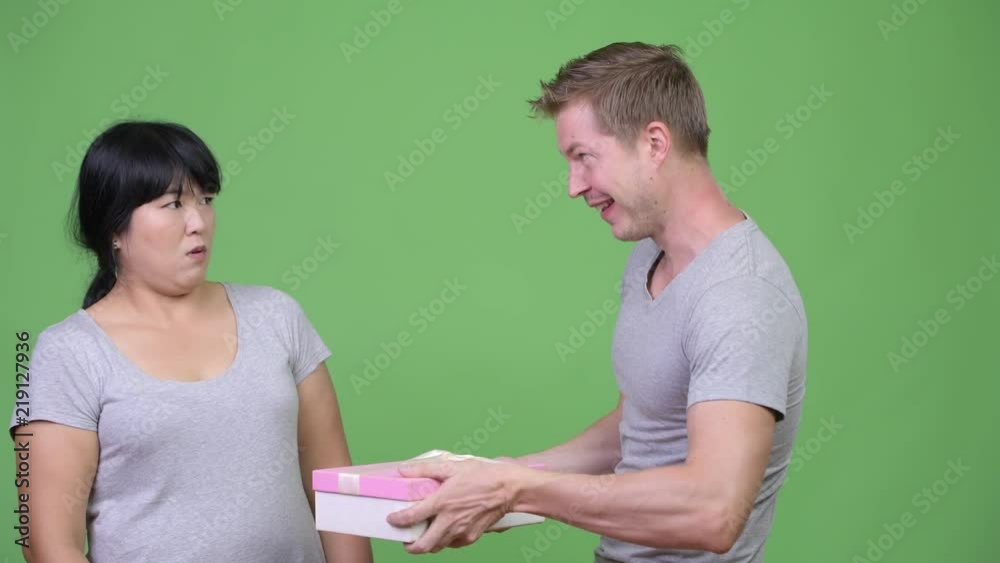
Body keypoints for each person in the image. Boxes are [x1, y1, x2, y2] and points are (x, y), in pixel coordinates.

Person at [385, 41, 808, 562]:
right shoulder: (651, 257)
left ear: (655, 143)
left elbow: (713, 511)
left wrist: (515, 490)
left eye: (584, 157)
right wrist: (500, 474)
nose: (573, 186)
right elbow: (638, 427)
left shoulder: (740, 294)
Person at [9, 121, 373, 563]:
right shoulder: (66, 354)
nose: (198, 222)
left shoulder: (277, 316)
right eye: (173, 204)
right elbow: (46, 544)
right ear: (113, 229)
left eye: (206, 200)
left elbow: (336, 489)